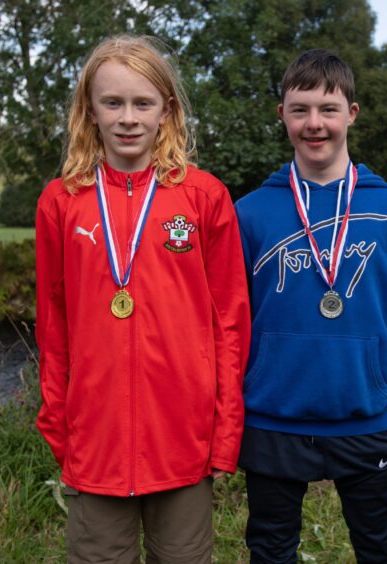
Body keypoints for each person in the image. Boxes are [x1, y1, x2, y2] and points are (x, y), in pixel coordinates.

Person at [35, 35, 250, 563]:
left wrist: (224, 434)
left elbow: (230, 323)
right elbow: (53, 326)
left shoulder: (203, 196)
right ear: (90, 110)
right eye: (113, 102)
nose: (128, 118)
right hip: (96, 442)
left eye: (142, 103)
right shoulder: (61, 201)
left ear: (166, 111)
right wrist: (60, 427)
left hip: (184, 440)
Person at [234, 49, 387, 563]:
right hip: (274, 415)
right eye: (300, 109)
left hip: (363, 417)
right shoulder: (248, 213)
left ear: (351, 114)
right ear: (282, 115)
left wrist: (368, 373)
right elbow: (235, 320)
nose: (314, 124)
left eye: (327, 109)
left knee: (380, 550)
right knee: (271, 551)